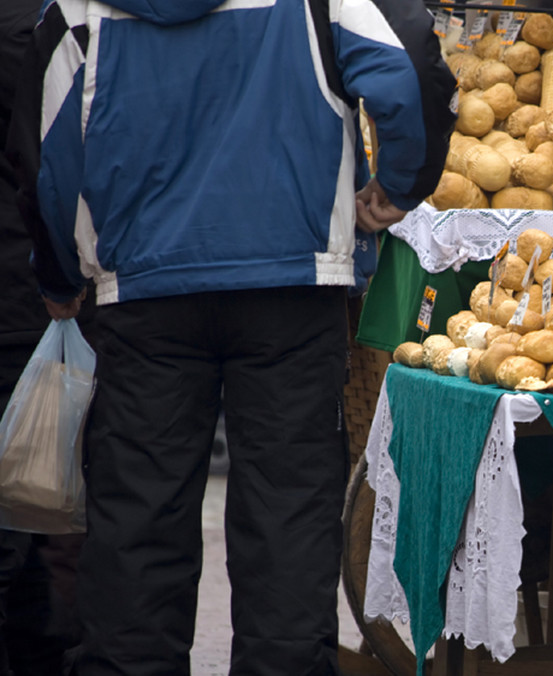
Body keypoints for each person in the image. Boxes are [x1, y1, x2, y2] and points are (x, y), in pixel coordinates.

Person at [5, 0, 456, 673]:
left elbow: (49, 158)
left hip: (141, 291)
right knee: (288, 509)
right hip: (292, 284)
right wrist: (398, 188)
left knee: (137, 514)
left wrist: (60, 274)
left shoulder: (75, 8)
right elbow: (412, 62)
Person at [1, 0, 87, 673]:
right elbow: (47, 164)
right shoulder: (43, 27)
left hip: (28, 285)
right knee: (37, 496)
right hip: (29, 289)